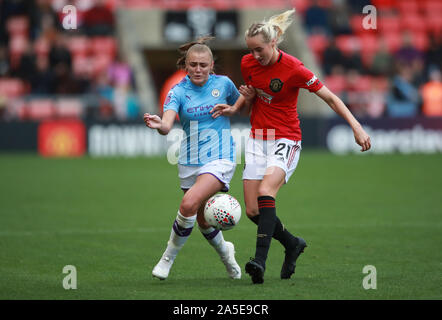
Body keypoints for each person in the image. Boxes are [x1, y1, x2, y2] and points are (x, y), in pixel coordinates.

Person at [211, 9, 371, 284]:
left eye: (259, 49)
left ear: (273, 43)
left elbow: (331, 98)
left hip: (286, 138)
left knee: (265, 191)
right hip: (257, 138)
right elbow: (252, 97)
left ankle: (259, 261)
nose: (255, 56)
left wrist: (356, 126)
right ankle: (292, 243)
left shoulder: (295, 68)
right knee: (252, 211)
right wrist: (237, 105)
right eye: (251, 50)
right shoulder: (248, 63)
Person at [143, 37, 242, 280]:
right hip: (189, 159)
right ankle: (226, 255)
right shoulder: (177, 91)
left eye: (203, 65)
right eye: (193, 65)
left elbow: (241, 104)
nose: (198, 69)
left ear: (211, 66)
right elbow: (167, 125)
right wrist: (159, 125)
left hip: (221, 158)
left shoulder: (225, 84)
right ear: (186, 66)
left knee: (188, 204)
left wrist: (237, 106)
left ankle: (167, 259)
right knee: (202, 219)